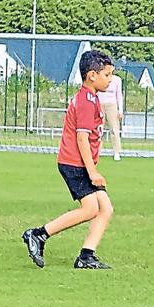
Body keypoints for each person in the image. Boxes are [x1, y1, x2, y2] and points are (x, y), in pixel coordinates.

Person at [21, 50, 117, 270]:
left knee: (106, 208)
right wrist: (92, 171)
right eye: (107, 75)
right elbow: (81, 138)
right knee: (91, 209)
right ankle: (38, 234)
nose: (110, 79)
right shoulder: (85, 100)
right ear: (92, 75)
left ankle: (86, 256)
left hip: (81, 164)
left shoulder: (91, 98)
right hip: (75, 164)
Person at [97, 66, 125, 161]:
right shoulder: (100, 78)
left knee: (114, 129)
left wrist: (120, 110)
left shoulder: (117, 80)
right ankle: (97, 151)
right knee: (98, 129)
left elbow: (119, 95)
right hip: (100, 104)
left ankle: (116, 152)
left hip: (112, 105)